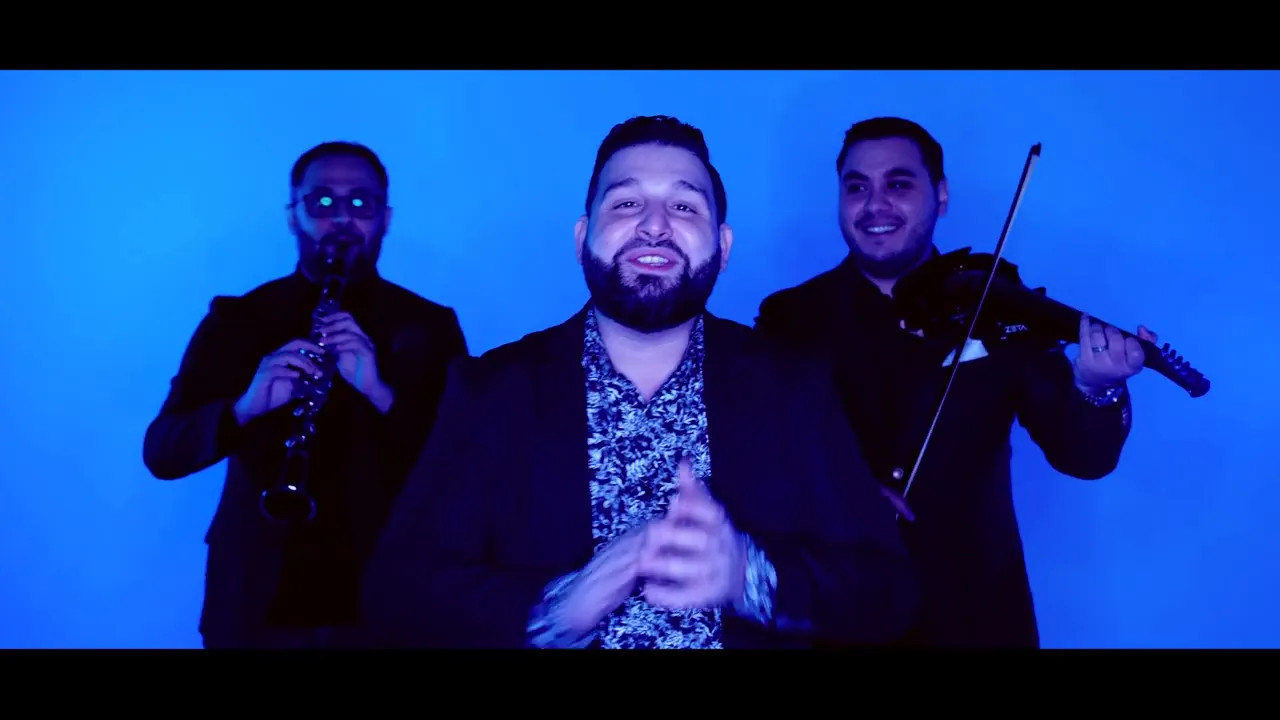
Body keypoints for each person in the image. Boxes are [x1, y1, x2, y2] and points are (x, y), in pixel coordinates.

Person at [361, 115, 919, 649]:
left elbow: (889, 593)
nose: (655, 225)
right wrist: (555, 610)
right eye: (627, 203)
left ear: (723, 248)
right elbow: (395, 593)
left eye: (684, 205)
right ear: (583, 238)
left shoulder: (794, 388)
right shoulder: (491, 391)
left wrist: (749, 575)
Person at [754, 116, 1157, 648]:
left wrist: (1096, 385)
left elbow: (1083, 457)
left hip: (976, 616)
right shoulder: (788, 318)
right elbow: (761, 464)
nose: (875, 205)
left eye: (899, 184)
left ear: (940, 195)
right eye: (857, 187)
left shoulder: (998, 306)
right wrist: (846, 494)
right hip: (837, 617)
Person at [143, 141, 470, 649]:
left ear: (385, 218)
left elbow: (465, 470)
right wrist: (244, 408)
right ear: (292, 216)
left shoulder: (430, 326)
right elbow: (163, 452)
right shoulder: (237, 319)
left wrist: (380, 393)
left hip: (390, 602)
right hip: (257, 603)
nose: (341, 219)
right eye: (321, 202)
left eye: (360, 203)